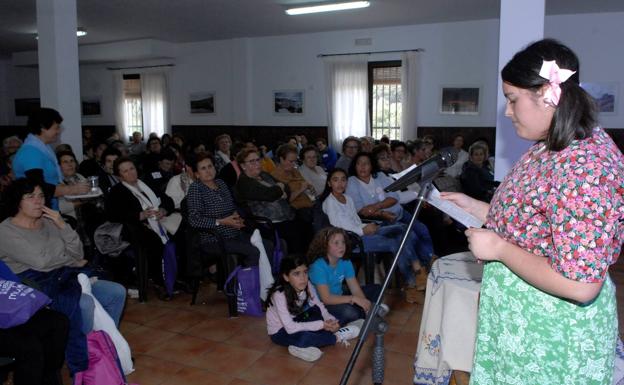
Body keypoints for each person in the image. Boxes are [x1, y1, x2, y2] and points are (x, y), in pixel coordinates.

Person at [442, 39, 624, 385]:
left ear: (546, 94)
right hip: (520, 327)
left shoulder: (585, 168)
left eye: (512, 100)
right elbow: (534, 221)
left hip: (553, 337)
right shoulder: (548, 146)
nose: (508, 111)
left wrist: (498, 249)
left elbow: (581, 284)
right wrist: (480, 209)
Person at [0, 177, 126, 375]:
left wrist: (62, 225)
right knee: (83, 304)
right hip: (36, 285)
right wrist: (66, 258)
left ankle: (100, 345)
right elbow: (41, 261)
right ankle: (83, 356)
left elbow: (78, 253)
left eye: (41, 196)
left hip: (65, 275)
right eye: (30, 197)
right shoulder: (5, 230)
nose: (38, 201)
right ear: (17, 200)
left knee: (116, 292)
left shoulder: (50, 222)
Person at [321, 168, 423, 302]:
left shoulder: (347, 198)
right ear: (329, 183)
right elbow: (338, 227)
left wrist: (368, 227)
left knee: (402, 228)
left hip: (363, 231)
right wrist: (363, 231)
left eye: (343, 180)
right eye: (335, 180)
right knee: (395, 242)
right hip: (352, 240)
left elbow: (356, 221)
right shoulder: (329, 202)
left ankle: (417, 268)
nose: (340, 183)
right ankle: (412, 282)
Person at [346, 152, 435, 281]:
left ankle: (428, 262)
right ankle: (417, 274)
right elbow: (361, 209)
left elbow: (394, 197)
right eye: (359, 163)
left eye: (366, 163)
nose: (362, 167)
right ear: (354, 166)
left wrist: (376, 207)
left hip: (399, 212)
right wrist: (383, 213)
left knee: (422, 228)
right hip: (381, 220)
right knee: (410, 237)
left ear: (372, 165)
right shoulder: (352, 182)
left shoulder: (380, 176)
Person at [266, 255, 360, 362]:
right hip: (280, 331)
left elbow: (319, 305)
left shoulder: (307, 284)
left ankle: (304, 345)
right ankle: (337, 336)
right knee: (304, 338)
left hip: (299, 319)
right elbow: (290, 328)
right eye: (296, 274)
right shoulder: (279, 295)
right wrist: (322, 325)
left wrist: (330, 320)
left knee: (318, 313)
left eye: (305, 272)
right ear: (286, 277)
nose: (303, 278)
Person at [186, 152, 273, 267]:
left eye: (210, 166)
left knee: (268, 245)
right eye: (203, 168)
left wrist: (237, 219)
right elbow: (194, 220)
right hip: (214, 238)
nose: (208, 171)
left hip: (234, 232)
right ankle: (247, 283)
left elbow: (232, 207)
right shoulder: (196, 189)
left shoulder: (221, 183)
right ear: (197, 174)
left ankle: (266, 281)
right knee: (254, 251)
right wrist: (221, 222)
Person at [307, 227, 390, 325]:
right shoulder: (318, 267)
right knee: (349, 312)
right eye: (336, 243)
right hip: (322, 305)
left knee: (377, 289)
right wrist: (353, 299)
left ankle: (366, 313)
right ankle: (368, 313)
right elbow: (326, 298)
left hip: (340, 296)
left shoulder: (345, 262)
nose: (341, 246)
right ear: (325, 246)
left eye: (343, 242)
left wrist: (364, 304)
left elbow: (355, 289)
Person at [12, 108, 90, 209]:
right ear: (43, 127)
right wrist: (71, 189)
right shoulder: (31, 152)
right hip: (35, 208)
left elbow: (51, 181)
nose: (58, 131)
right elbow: (37, 186)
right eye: (56, 128)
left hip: (49, 207)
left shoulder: (44, 148)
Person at [234, 148, 309, 254]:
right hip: (268, 223)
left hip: (285, 216)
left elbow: (286, 187)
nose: (257, 163)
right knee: (297, 236)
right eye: (252, 161)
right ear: (243, 166)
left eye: (258, 160)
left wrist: (279, 189)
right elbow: (269, 195)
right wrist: (278, 189)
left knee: (306, 227)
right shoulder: (244, 183)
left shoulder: (264, 175)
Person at [271, 144, 315, 220]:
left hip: (310, 204)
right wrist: (301, 189)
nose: (294, 164)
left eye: (295, 161)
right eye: (291, 161)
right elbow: (284, 201)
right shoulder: (275, 176)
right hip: (297, 211)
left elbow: (305, 185)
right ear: (281, 159)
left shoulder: (294, 171)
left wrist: (310, 187)